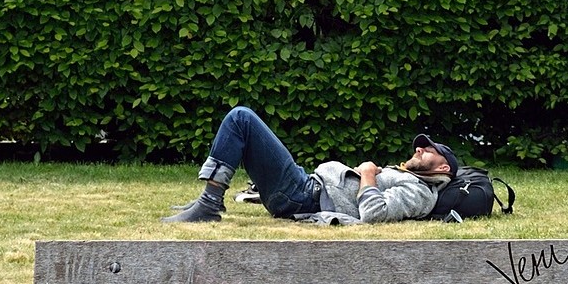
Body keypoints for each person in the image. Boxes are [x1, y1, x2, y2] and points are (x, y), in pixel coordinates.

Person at [162, 105, 459, 223]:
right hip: (305, 188)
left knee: (241, 118)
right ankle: (207, 200)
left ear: (443, 168)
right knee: (243, 125)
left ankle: (210, 205)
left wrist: (368, 174)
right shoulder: (409, 178)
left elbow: (374, 213)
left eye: (430, 150)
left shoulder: (420, 192)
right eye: (421, 146)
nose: (421, 148)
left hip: (304, 195)